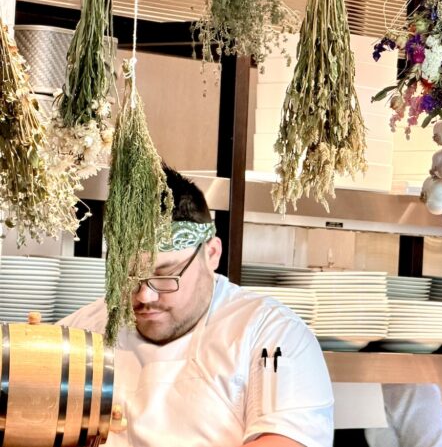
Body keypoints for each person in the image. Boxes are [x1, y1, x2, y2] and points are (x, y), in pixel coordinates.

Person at [60, 167, 335, 447]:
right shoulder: (82, 332)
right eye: (128, 276)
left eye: (166, 274)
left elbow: (286, 441)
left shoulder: (271, 335)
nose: (145, 296)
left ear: (212, 253)